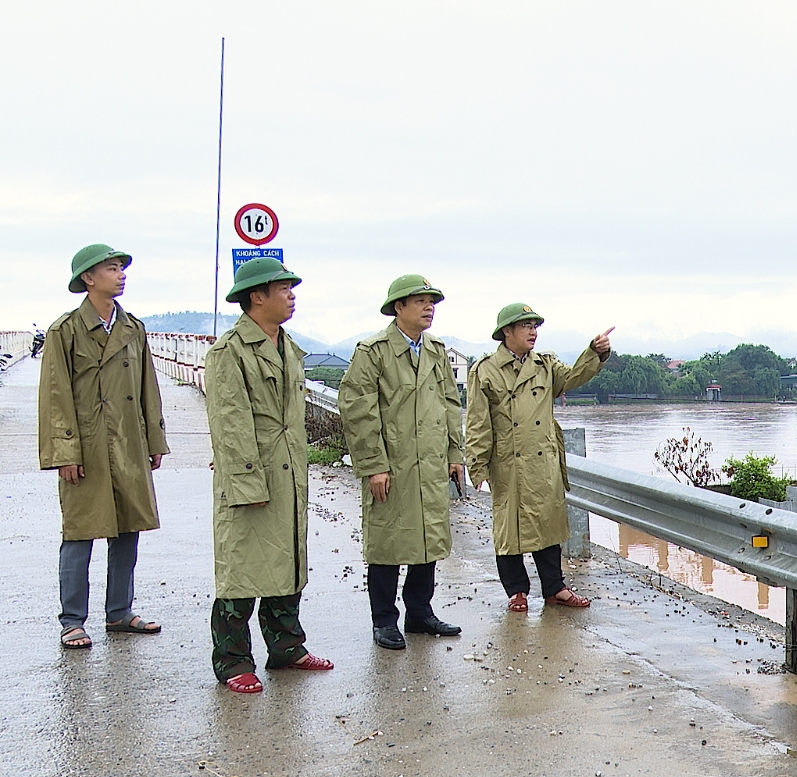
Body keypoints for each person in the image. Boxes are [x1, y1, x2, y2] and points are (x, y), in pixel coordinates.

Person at [204, 257, 333, 693]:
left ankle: (287, 647)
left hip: (288, 474)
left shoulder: (288, 348)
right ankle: (233, 660)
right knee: (242, 569)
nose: (291, 295)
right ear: (256, 296)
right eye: (283, 289)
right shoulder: (230, 352)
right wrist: (246, 481)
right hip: (252, 477)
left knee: (288, 564)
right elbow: (230, 422)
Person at [39, 244, 170, 650]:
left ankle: (119, 611)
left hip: (128, 441)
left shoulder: (133, 327)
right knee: (80, 533)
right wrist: (64, 452)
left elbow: (148, 388)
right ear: (88, 279)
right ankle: (72, 620)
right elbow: (55, 395)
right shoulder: (65, 331)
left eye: (121, 268)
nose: (121, 274)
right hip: (88, 446)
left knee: (128, 528)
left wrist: (154, 439)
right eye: (112, 268)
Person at [338, 275, 465, 650]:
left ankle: (419, 612)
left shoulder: (436, 350)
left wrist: (454, 455)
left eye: (432, 302)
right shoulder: (373, 351)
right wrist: (374, 464)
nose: (429, 308)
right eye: (420, 301)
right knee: (388, 541)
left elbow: (449, 404)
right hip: (392, 464)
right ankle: (383, 620)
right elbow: (357, 410)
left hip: (429, 464)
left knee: (429, 538)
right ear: (398, 307)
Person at [465, 304, 612, 613]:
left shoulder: (545, 364)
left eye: (535, 326)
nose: (533, 332)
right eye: (525, 326)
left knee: (548, 522)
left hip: (543, 458)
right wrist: (476, 464)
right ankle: (516, 591)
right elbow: (478, 420)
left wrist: (594, 353)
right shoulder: (485, 370)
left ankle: (555, 587)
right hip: (508, 460)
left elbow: (573, 377)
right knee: (509, 528)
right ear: (507, 331)